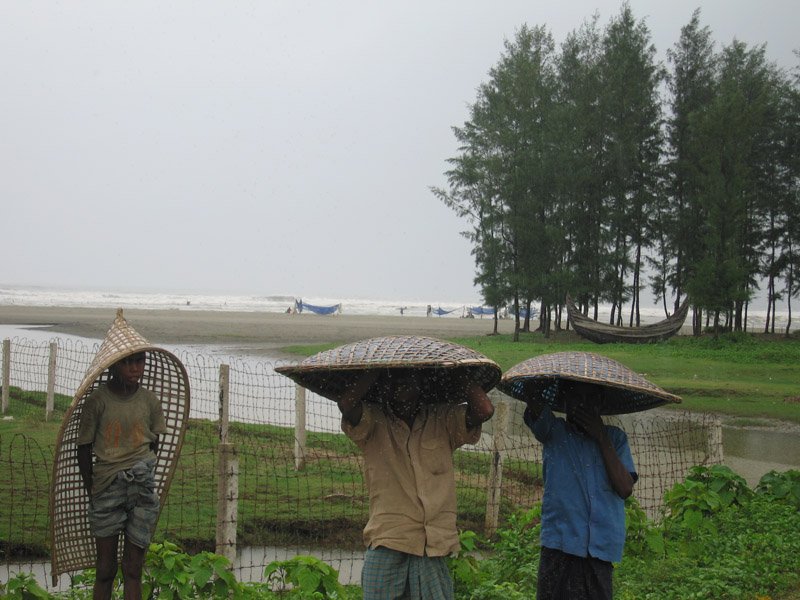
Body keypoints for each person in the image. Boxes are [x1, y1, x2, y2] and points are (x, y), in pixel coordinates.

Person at [336, 368, 495, 600]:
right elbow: (347, 403)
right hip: (388, 538)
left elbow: (485, 410)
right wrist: (376, 370)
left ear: (422, 384)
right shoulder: (373, 421)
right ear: (384, 386)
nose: (400, 383)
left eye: (408, 378)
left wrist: (457, 371)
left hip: (432, 543)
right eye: (394, 379)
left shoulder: (443, 420)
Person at [523, 380, 636, 600]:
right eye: (576, 397)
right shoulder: (554, 432)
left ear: (601, 403)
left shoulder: (616, 439)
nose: (583, 405)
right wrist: (535, 388)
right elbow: (534, 400)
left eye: (591, 398)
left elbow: (624, 488)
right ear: (565, 401)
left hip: (599, 553)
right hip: (560, 546)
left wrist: (601, 437)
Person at [76, 351, 166, 600]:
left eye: (139, 362)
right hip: (107, 487)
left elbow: (154, 442)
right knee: (105, 569)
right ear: (114, 365)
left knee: (133, 568)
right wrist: (92, 489)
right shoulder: (98, 401)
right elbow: (83, 448)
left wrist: (142, 472)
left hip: (141, 487)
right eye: (127, 362)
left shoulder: (149, 400)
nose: (134, 368)